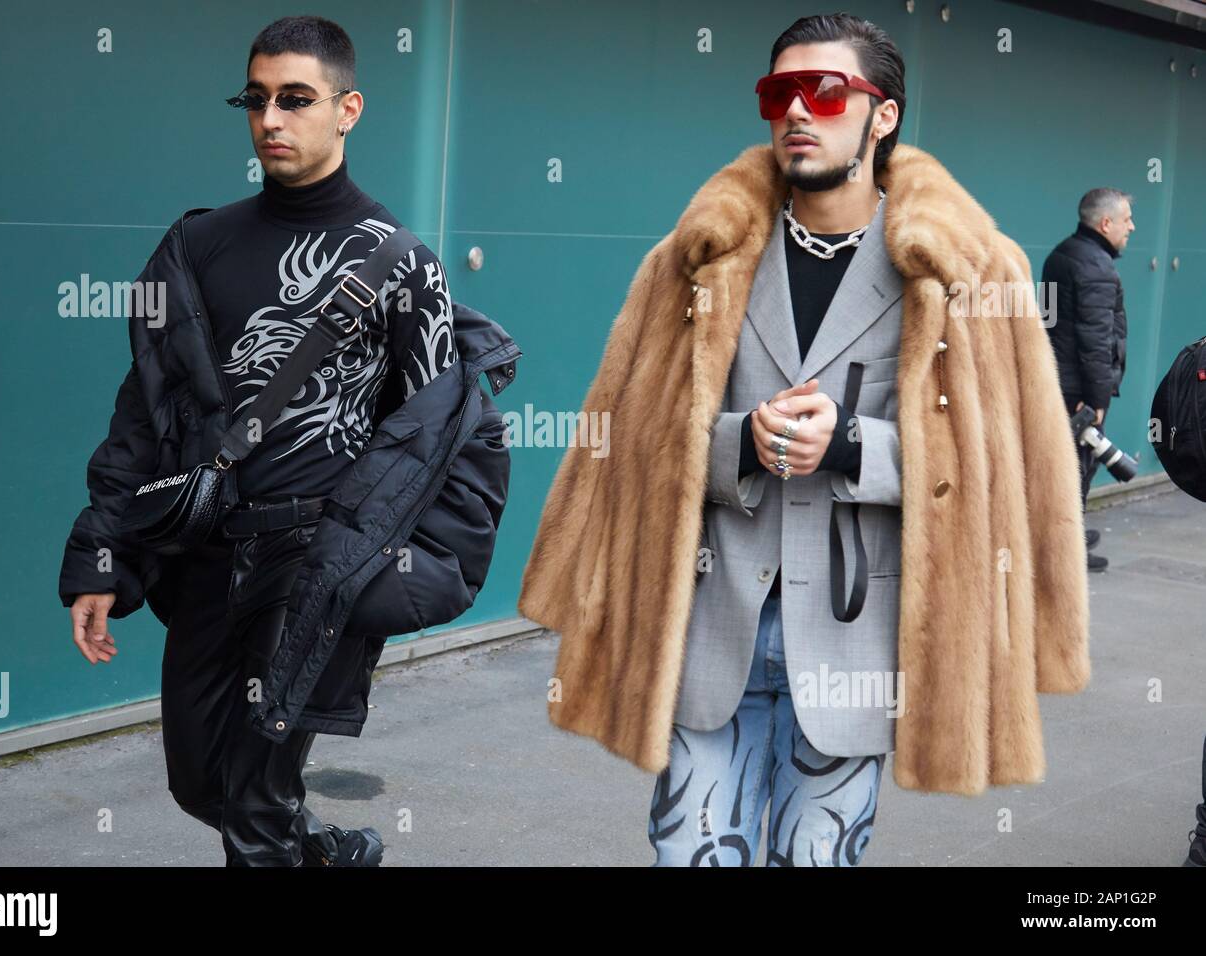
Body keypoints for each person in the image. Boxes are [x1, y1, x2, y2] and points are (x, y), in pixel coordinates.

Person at [518, 12, 1090, 865]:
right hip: (710, 625)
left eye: (825, 92)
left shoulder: (971, 269)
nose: (797, 111)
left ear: (882, 114)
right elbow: (626, 439)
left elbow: (1011, 466)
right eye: (779, 92)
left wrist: (858, 447)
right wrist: (739, 442)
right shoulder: (695, 257)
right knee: (690, 857)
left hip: (860, 638)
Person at [60, 16, 464, 867]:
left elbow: (436, 438)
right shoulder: (198, 246)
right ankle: (329, 854)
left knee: (252, 799)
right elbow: (146, 414)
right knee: (198, 782)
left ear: (348, 109)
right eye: (258, 99)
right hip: (211, 554)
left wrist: (403, 571)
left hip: (319, 563)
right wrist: (103, 554)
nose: (272, 119)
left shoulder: (402, 265)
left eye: (297, 99)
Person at [1042, 189, 1133, 572]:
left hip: (1057, 381)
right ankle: (1065, 555)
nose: (1132, 226)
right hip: (1078, 390)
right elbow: (1096, 342)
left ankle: (1070, 534)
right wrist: (1097, 400)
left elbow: (1046, 324)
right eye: (1126, 219)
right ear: (1105, 223)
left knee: (1066, 466)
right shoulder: (1096, 267)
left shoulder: (1060, 254)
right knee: (1075, 469)